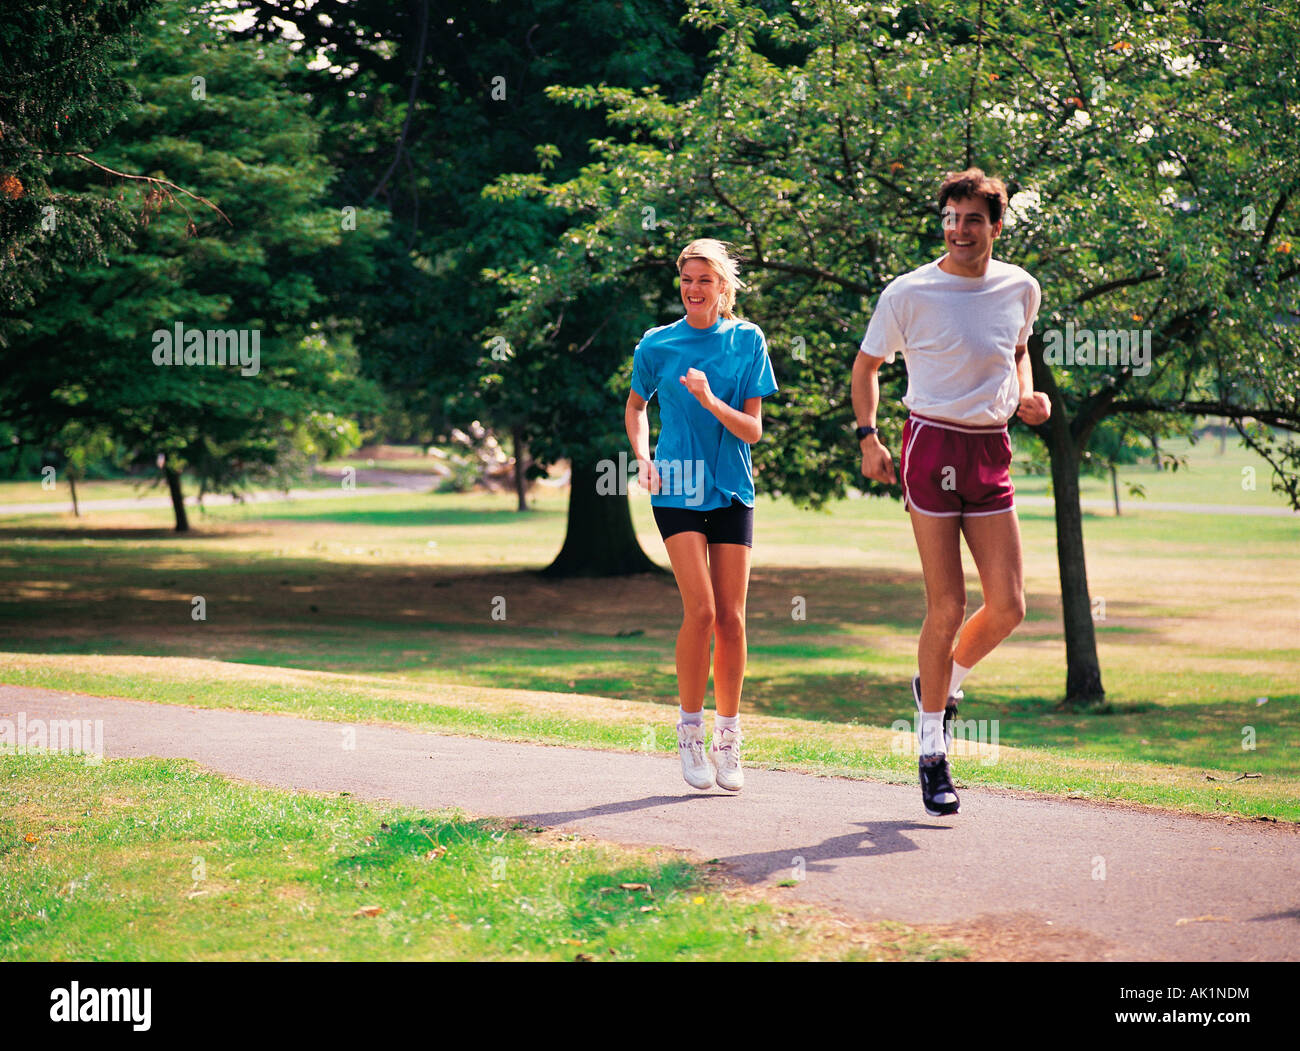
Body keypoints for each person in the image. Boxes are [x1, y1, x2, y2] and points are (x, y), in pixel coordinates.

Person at [851, 168, 1051, 816]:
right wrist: (868, 438)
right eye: (951, 219)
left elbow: (1018, 350)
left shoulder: (1021, 288)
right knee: (947, 605)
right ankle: (932, 751)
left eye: (972, 220)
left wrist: (1025, 393)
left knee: (1010, 605)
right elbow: (867, 366)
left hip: (991, 448)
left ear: (995, 226)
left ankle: (939, 681)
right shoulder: (909, 292)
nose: (959, 231)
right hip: (931, 443)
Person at [625, 239, 778, 792]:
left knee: (734, 620)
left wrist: (712, 400)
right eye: (686, 279)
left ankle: (729, 737)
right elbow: (637, 406)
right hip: (677, 488)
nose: (693, 289)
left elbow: (753, 430)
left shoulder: (747, 340)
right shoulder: (657, 344)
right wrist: (642, 457)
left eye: (704, 280)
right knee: (703, 610)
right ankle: (689, 732)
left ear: (723, 287)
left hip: (733, 488)